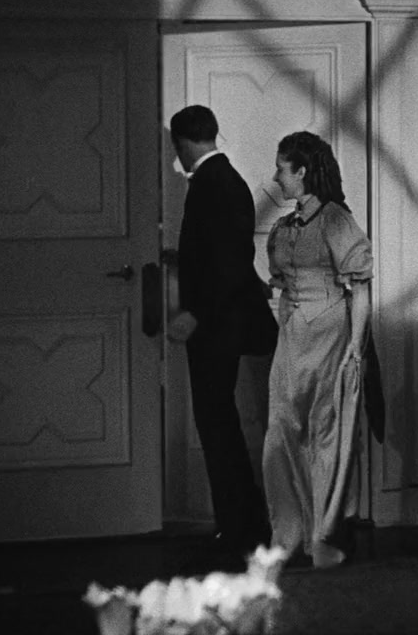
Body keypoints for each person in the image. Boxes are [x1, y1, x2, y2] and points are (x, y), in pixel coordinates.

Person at [166, 104, 278, 558]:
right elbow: (224, 255)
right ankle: (240, 523)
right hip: (224, 322)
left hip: (216, 327)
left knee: (217, 424)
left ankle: (239, 526)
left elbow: (226, 263)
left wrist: (194, 313)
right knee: (220, 423)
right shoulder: (225, 180)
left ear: (181, 142)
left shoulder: (213, 183)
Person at [262, 131, 374, 569]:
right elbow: (282, 284)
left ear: (303, 171)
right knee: (281, 431)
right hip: (292, 336)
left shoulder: (334, 220)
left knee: (322, 433)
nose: (277, 178)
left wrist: (356, 347)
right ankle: (287, 534)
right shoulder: (287, 225)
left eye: (282, 169)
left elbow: (360, 288)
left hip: (329, 335)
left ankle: (321, 536)